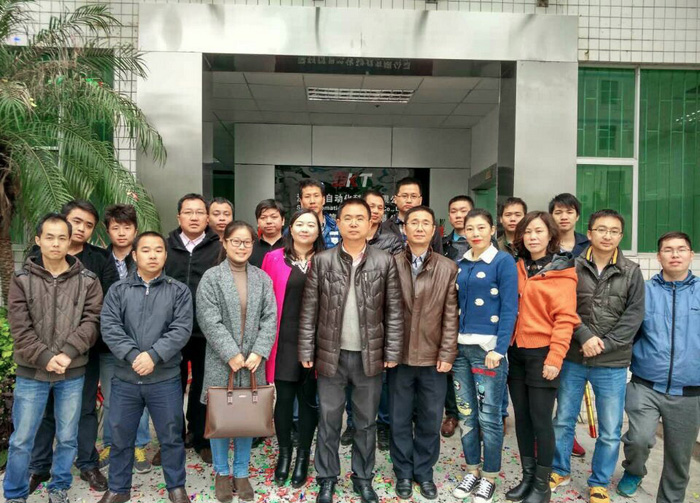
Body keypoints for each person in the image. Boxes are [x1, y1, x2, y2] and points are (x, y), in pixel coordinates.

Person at [298, 198, 403, 503]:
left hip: (369, 356)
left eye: (360, 218)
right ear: (339, 223)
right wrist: (306, 349)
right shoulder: (322, 261)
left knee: (366, 422)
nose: (354, 223)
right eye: (348, 218)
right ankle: (327, 478)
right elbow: (309, 310)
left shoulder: (384, 261)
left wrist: (391, 351)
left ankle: (363, 478)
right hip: (331, 355)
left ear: (371, 224)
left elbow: (394, 311)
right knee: (329, 420)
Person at [5, 213, 102, 503]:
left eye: (62, 237)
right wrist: (46, 357)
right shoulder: (21, 279)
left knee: (68, 436)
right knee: (22, 439)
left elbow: (92, 321)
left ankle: (59, 487)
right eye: (49, 237)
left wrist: (67, 353)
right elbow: (19, 326)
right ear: (38, 240)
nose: (56, 243)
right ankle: (15, 494)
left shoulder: (88, 280)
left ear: (70, 241)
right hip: (31, 372)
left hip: (72, 371)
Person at [550, 209, 644, 503]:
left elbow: (634, 316)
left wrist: (605, 344)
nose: (607, 235)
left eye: (614, 231)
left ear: (621, 236)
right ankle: (560, 470)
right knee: (563, 419)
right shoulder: (571, 266)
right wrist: (585, 337)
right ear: (589, 233)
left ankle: (599, 481)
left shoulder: (632, 271)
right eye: (601, 229)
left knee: (610, 429)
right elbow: (563, 307)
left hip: (612, 363)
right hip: (574, 357)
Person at [29, 200, 118, 494]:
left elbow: (105, 306)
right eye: (76, 221)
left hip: (83, 350)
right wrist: (46, 350)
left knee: (85, 408)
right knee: (45, 410)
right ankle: (39, 465)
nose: (81, 228)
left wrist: (72, 346)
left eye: (88, 225)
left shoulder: (101, 259)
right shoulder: (37, 257)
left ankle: (87, 462)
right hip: (42, 351)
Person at [98, 232, 193, 503]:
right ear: (135, 255)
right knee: (120, 436)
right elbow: (110, 327)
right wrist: (132, 355)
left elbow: (181, 329)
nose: (153, 255)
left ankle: (176, 486)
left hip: (164, 377)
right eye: (146, 250)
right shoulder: (118, 290)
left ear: (165, 255)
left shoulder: (178, 291)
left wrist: (153, 355)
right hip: (126, 378)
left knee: (171, 435)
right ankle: (118, 488)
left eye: (158, 250)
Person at [197, 221, 277, 502]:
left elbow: (270, 317)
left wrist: (259, 351)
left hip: (253, 361)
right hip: (222, 360)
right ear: (225, 243)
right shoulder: (211, 278)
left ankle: (241, 472)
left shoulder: (262, 278)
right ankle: (221, 472)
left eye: (247, 242)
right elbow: (208, 319)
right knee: (221, 416)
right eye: (236, 241)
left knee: (246, 417)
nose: (241, 247)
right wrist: (231, 353)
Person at [617, 231, 700, 503]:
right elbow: (627, 331)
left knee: (679, 459)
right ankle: (634, 470)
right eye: (668, 249)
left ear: (691, 255)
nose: (675, 255)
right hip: (645, 384)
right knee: (638, 439)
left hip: (689, 391)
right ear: (658, 256)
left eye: (681, 249)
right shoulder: (643, 291)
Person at [505, 211, 578, 503]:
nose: (533, 237)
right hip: (516, 351)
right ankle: (527, 478)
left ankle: (542, 485)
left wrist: (555, 358)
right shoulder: (518, 267)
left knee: (541, 420)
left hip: (543, 353)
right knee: (522, 418)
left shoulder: (563, 271)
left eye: (539, 231)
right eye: (528, 232)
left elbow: (565, 319)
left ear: (550, 235)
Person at [390, 206, 458, 501]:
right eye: (413, 222)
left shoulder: (448, 267)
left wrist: (447, 352)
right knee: (399, 418)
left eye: (425, 223)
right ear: (404, 229)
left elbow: (451, 315)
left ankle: (424, 471)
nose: (419, 228)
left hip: (433, 357)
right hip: (398, 357)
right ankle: (403, 471)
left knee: (430, 419)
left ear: (433, 230)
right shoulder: (390, 263)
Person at [451, 209, 518, 503]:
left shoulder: (503, 262)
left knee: (489, 417)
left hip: (487, 351)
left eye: (481, 227)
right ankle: (472, 470)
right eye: (470, 228)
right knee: (466, 413)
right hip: (460, 349)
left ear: (492, 230)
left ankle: (489, 476)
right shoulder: (461, 263)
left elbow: (509, 309)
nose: (475, 233)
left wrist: (499, 349)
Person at [261, 209, 325, 488]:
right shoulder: (273, 258)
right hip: (283, 340)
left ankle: (302, 457)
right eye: (300, 224)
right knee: (284, 400)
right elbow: (263, 301)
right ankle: (284, 454)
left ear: (319, 231)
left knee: (308, 400)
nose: (305, 229)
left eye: (311, 225)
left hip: (316, 342)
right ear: (291, 227)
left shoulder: (327, 259)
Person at [340, 189, 401, 452]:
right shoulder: (340, 247)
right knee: (349, 384)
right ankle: (352, 423)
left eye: (379, 207)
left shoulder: (391, 242)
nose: (374, 211)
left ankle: (383, 424)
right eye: (370, 206)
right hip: (348, 330)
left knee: (380, 385)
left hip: (375, 326)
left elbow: (393, 297)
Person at [164, 194, 221, 464]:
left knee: (202, 385)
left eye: (200, 212)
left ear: (207, 218)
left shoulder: (218, 248)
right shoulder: (165, 247)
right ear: (179, 217)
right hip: (170, 331)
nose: (194, 217)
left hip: (205, 330)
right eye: (188, 212)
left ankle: (201, 437)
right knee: (170, 387)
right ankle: (172, 440)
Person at [99, 204, 153, 474]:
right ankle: (111, 443)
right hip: (108, 342)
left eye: (127, 227)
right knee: (111, 397)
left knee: (139, 396)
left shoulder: (144, 258)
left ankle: (139, 444)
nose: (121, 233)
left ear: (135, 229)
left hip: (141, 344)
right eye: (116, 227)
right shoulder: (100, 260)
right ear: (107, 230)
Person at [440, 195, 474, 439]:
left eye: (464, 210)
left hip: (477, 314)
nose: (459, 215)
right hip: (449, 312)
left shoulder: (488, 244)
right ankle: (452, 413)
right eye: (454, 211)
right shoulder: (442, 244)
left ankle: (480, 415)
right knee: (450, 364)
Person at [381, 177, 442, 254]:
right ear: (395, 199)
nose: (409, 200)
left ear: (420, 200)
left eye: (413, 196)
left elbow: (438, 255)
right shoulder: (385, 227)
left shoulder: (430, 225)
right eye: (404, 196)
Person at [299, 179, 340, 249]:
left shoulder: (336, 228)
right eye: (307, 196)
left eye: (316, 196)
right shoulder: (293, 231)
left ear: (323, 200)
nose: (312, 201)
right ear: (301, 202)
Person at [549, 193, 589, 257]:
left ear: (577, 216)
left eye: (569, 212)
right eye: (558, 213)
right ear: (551, 216)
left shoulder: (588, 244)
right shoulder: (544, 244)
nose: (564, 217)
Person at [364, 189, 403, 254]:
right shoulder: (351, 234)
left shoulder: (392, 240)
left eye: (380, 208)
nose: (376, 211)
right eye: (371, 206)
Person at [249, 199, 285, 267]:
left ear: (283, 220)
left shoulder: (292, 246)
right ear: (257, 222)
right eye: (263, 218)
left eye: (274, 217)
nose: (268, 221)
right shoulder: (250, 247)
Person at [442, 195, 474, 262]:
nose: (458, 216)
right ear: (449, 217)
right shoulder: (442, 244)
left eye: (463, 211)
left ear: (473, 214)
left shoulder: (486, 242)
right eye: (453, 212)